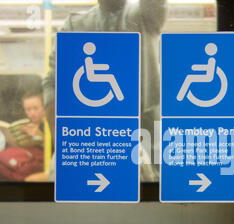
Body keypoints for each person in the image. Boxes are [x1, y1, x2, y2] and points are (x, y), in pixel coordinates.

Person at [43, 0, 168, 182]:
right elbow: (53, 82)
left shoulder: (143, 15)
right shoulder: (75, 25)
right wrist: (62, 140)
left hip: (143, 131)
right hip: (91, 134)